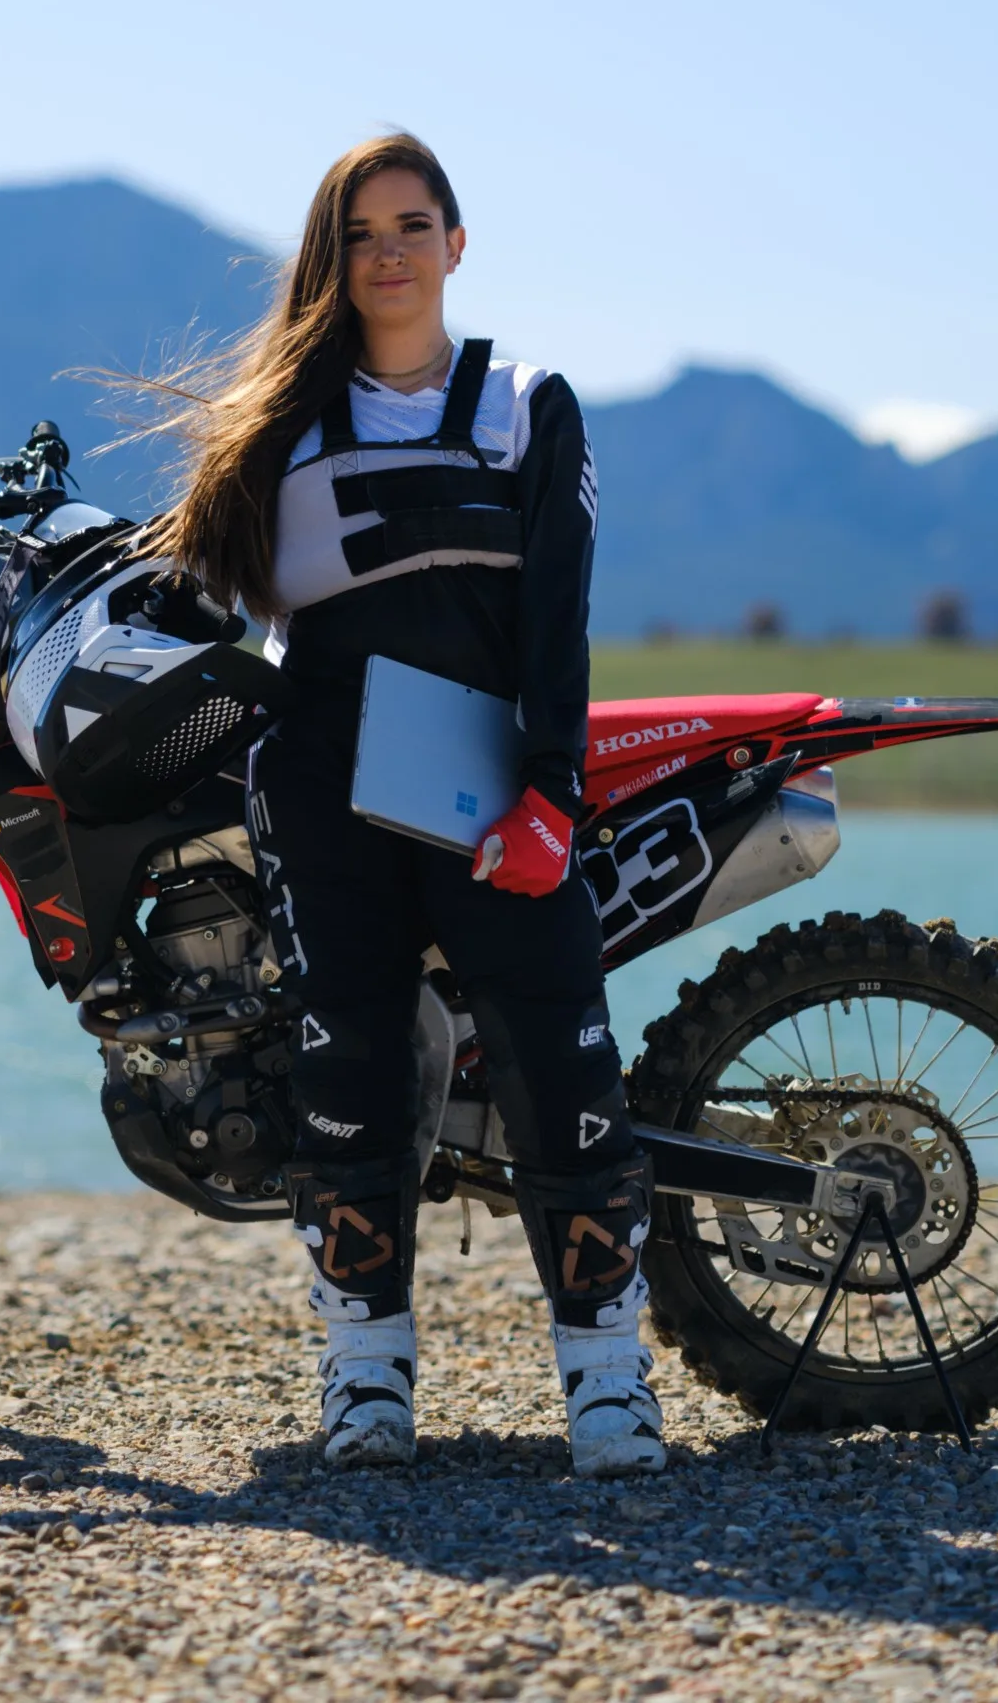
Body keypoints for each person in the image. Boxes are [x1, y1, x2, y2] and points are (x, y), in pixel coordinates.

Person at [151, 132, 662, 1478]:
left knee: (559, 1059)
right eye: (364, 230)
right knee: (349, 1068)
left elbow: (560, 616)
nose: (391, 251)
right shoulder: (280, 425)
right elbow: (198, 600)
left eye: (414, 224)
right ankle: (365, 1371)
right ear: (336, 255)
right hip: (326, 781)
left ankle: (608, 1375)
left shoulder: (528, 403)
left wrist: (548, 790)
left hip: (491, 777)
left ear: (456, 242)